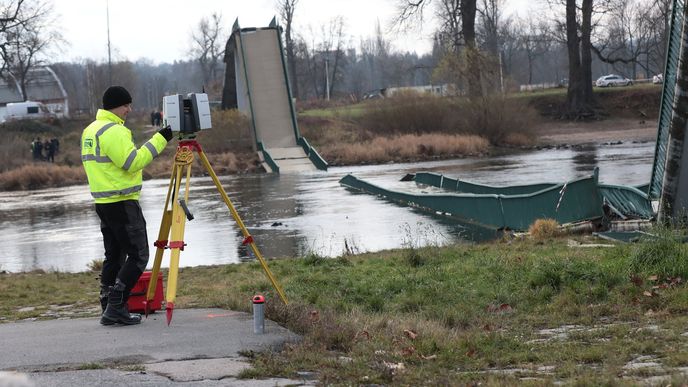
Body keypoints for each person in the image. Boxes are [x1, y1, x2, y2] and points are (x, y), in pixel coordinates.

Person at [81, 86, 173, 326]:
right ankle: (116, 306)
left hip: (103, 202)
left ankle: (107, 306)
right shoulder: (114, 131)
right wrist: (162, 138)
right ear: (116, 105)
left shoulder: (91, 130)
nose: (129, 110)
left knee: (114, 255)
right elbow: (133, 163)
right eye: (126, 105)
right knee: (139, 254)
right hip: (122, 202)